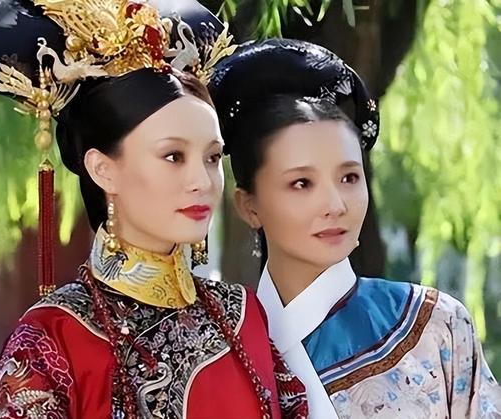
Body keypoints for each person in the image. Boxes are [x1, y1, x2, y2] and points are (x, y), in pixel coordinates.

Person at [0, 2, 309, 418]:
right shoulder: (54, 335)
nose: (202, 180)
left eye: (212, 158)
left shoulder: (242, 315)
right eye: (173, 156)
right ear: (103, 170)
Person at [209, 38, 501, 418]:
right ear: (248, 206)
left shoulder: (435, 324)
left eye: (349, 177)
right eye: (302, 183)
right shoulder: (216, 352)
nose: (336, 205)